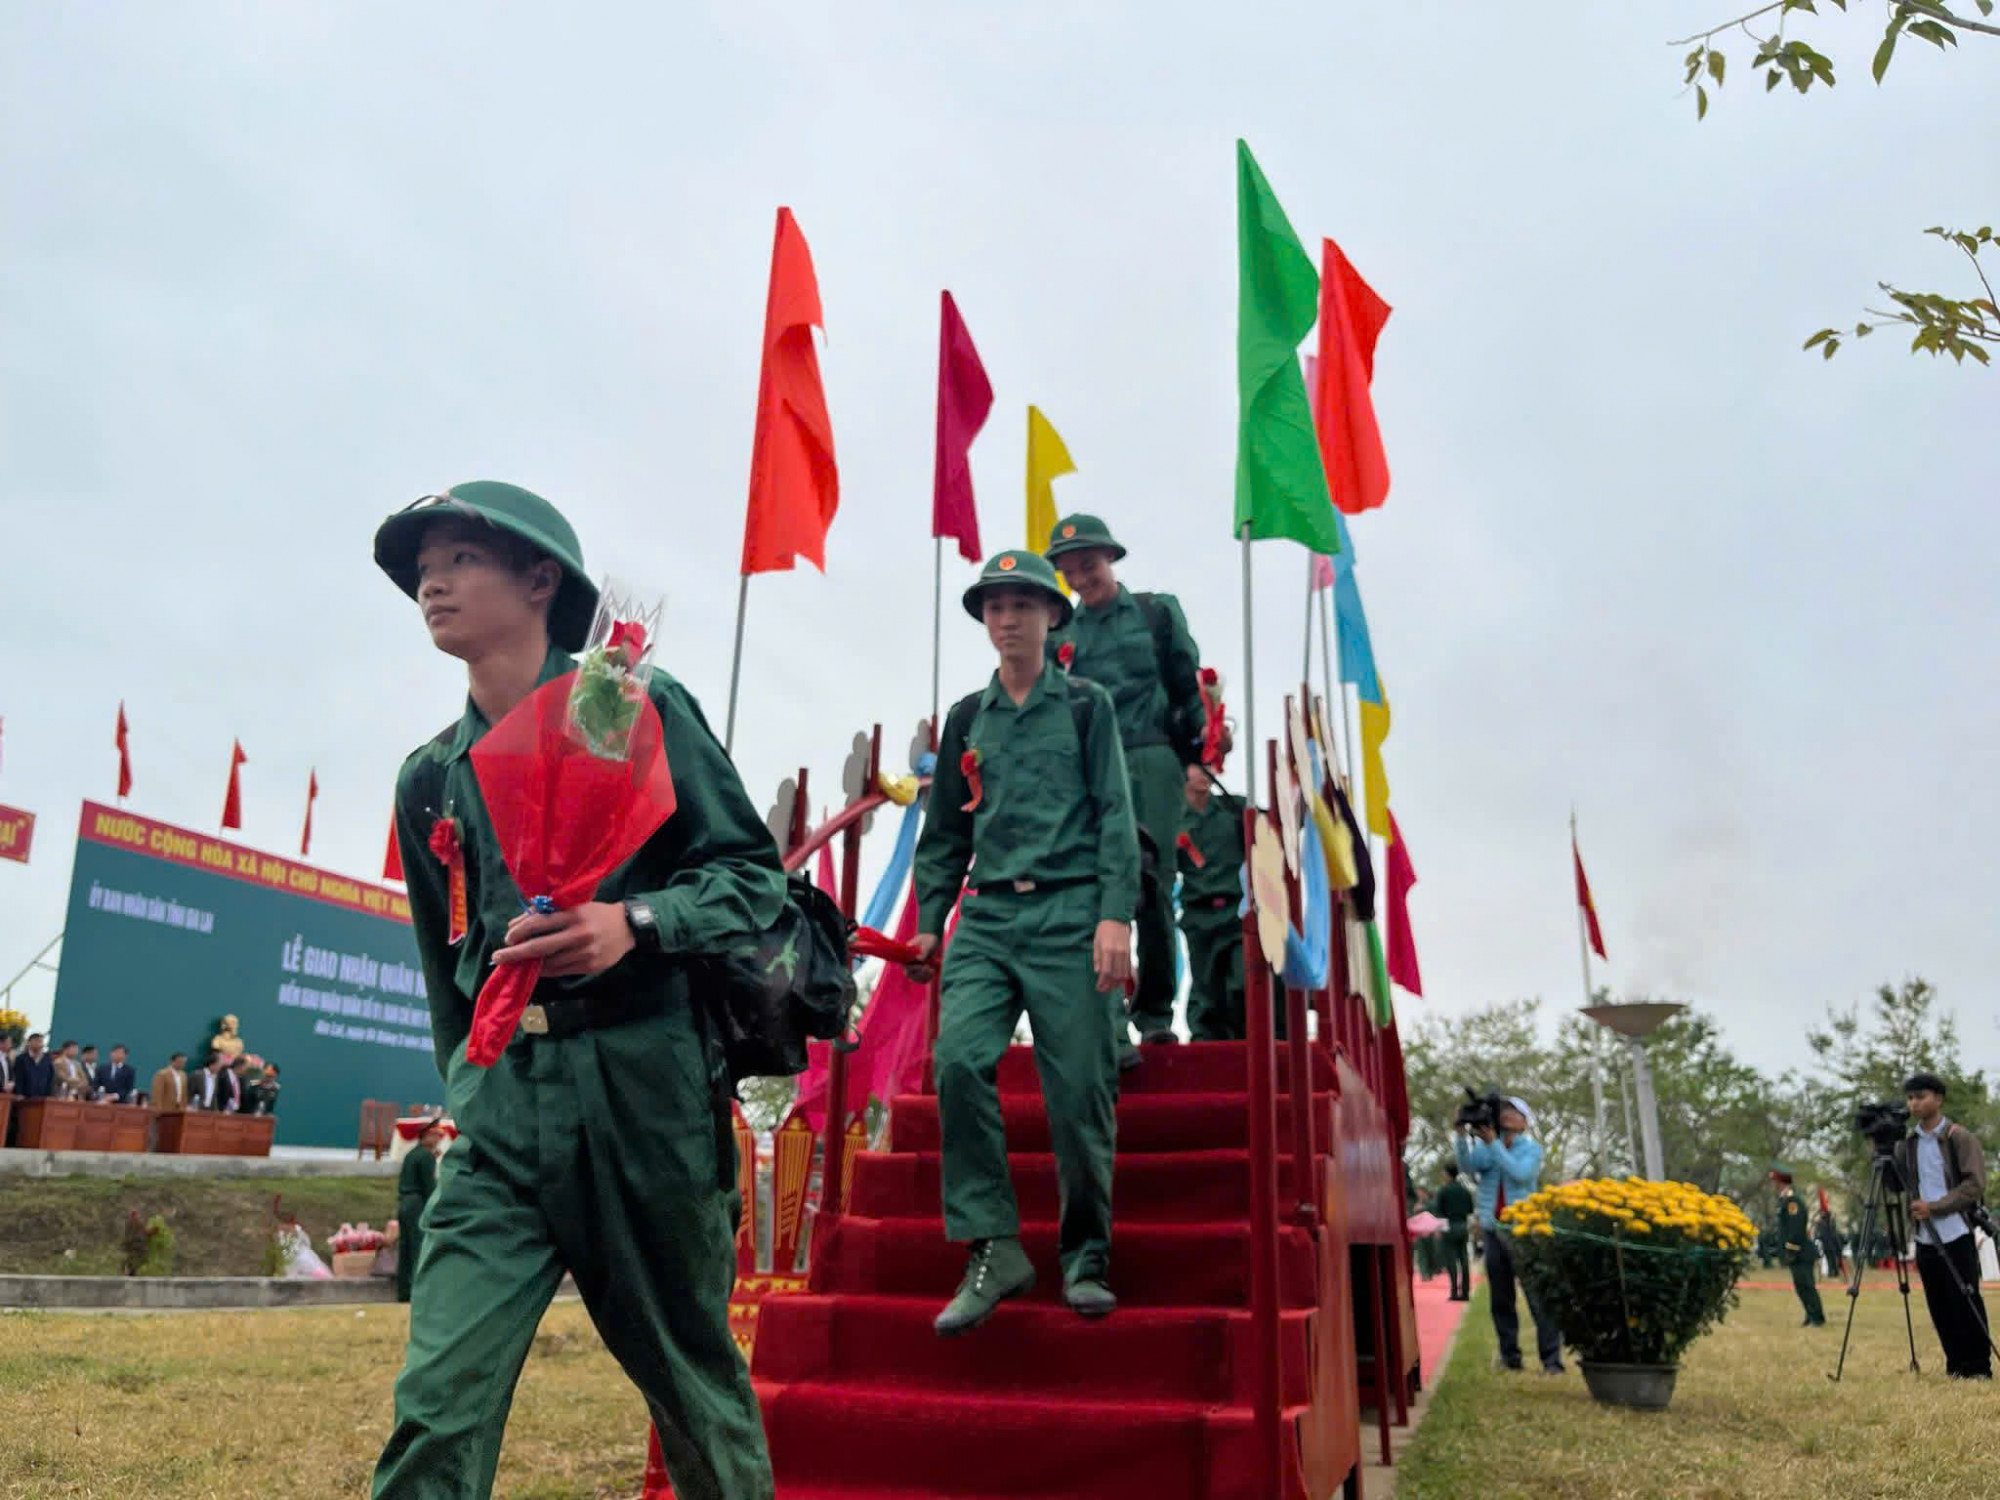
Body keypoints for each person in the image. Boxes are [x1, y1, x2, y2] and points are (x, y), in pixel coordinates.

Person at [368, 480, 778, 1498]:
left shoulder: (632, 703)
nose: (431, 579)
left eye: (460, 556)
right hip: (503, 1107)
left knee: (692, 1392)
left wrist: (631, 922)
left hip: (642, 1087)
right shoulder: (431, 777)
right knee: (436, 1406)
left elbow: (750, 881)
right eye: (422, 565)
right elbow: (442, 968)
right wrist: (467, 1091)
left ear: (540, 577)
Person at [908, 548, 1140, 1336]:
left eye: (1022, 606)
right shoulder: (968, 720)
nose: (1006, 619)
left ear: (1051, 616)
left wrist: (1117, 915)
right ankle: (994, 1246)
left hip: (1073, 916)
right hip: (989, 919)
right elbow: (942, 832)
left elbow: (1116, 811)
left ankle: (1085, 1256)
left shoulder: (1085, 705)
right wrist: (929, 922)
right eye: (994, 608)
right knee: (959, 1061)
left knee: (1078, 1091)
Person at [1044, 514, 1204, 1054]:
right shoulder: (1062, 633)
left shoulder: (1155, 612)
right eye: (1069, 572)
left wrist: (1194, 760)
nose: (1081, 579)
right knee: (1092, 879)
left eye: (1088, 565)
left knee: (1151, 879)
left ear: (1109, 559)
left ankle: (1155, 1011)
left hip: (1150, 754)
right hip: (1088, 767)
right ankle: (1104, 1011)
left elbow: (1186, 687)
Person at [1892, 1072, 1991, 1378]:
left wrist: (1934, 1207)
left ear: (1938, 1099)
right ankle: (1956, 1366)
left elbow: (1974, 1185)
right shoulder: (1907, 1143)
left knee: (1965, 1299)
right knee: (1939, 1305)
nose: (1914, 1103)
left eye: (1920, 1096)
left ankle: (1978, 1367)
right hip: (1924, 1238)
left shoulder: (1958, 1137)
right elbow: (1895, 1183)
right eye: (1910, 1098)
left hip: (1955, 1232)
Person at [1456, 1096, 1564, 1373]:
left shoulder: (1531, 1149)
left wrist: (1493, 1144)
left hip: (1523, 1230)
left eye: (1513, 1111)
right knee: (1501, 1297)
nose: (1506, 1113)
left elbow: (1519, 1174)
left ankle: (1551, 1361)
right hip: (1493, 1229)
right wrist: (1460, 1137)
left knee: (1536, 1296)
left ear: (1525, 1121)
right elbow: (1468, 1166)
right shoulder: (1488, 1145)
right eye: (1503, 1109)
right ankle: (1510, 1357)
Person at [1175, 759, 1246, 1041]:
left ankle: (1243, 1035)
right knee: (1207, 989)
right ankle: (1208, 1040)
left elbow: (1280, 824)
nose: (1205, 774)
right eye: (1197, 767)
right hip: (1199, 915)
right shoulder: (1172, 819)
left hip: (1237, 913)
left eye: (1209, 767)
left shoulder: (1234, 809)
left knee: (1243, 982)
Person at [396, 1116, 449, 1304]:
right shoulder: (426, 1156)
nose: (439, 1138)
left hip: (404, 1203)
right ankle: (415, 1290)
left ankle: (403, 1290)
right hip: (417, 1204)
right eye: (436, 1134)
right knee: (417, 1248)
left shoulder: (412, 1154)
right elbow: (429, 1187)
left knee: (405, 1248)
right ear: (426, 1136)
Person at [1769, 1163, 1826, 1327]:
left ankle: (1818, 1317)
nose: (1773, 1185)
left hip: (1801, 1252)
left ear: (1781, 1182)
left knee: (1807, 1285)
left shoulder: (1793, 1202)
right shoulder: (1785, 1200)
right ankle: (1810, 1314)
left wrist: (1790, 1248)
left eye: (1775, 1182)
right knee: (1800, 1287)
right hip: (1796, 1253)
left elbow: (1796, 1227)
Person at [1431, 1163, 1475, 1302]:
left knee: (1451, 1260)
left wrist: (1438, 1229)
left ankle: (1454, 1291)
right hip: (1462, 1225)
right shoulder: (1465, 1190)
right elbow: (1470, 1209)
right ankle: (1466, 1291)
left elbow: (1439, 1211)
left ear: (1447, 1174)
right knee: (1464, 1260)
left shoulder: (1443, 1191)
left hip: (1449, 1226)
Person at [11, 1034, 52, 1098]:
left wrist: (49, 1095)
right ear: (29, 1043)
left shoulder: (47, 1060)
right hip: (24, 1095)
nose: (38, 1044)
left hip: (41, 1097)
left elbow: (49, 1079)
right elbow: (18, 1077)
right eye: (36, 1041)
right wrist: (19, 1093)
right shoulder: (21, 1059)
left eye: (40, 1041)